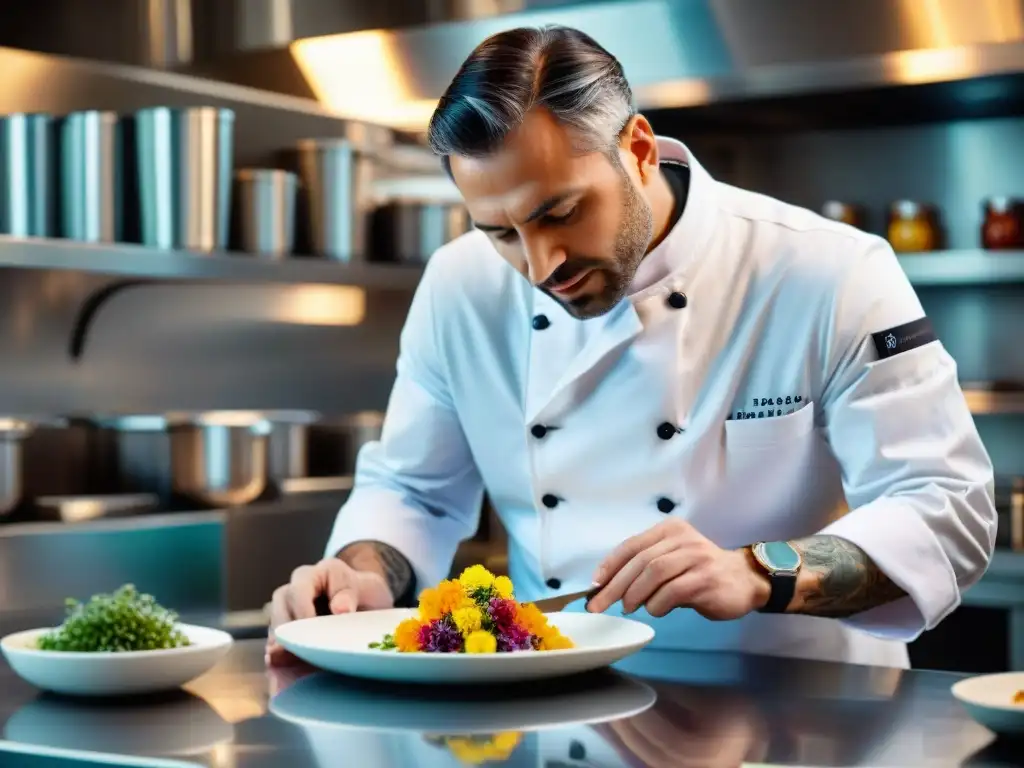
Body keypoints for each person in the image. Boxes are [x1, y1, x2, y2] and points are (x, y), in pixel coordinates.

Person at [267, 25, 996, 669]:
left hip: (806, 708)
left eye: (560, 211)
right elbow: (412, 492)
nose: (539, 263)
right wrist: (365, 570)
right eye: (499, 231)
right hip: (554, 703)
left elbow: (946, 509)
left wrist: (758, 571)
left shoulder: (827, 271)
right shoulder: (459, 287)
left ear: (639, 149)